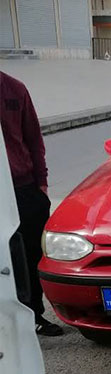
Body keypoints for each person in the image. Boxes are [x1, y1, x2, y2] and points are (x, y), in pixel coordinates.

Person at [0, 71, 63, 336]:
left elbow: (33, 138)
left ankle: (33, 314)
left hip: (24, 188)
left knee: (30, 255)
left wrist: (41, 184)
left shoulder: (15, 89)